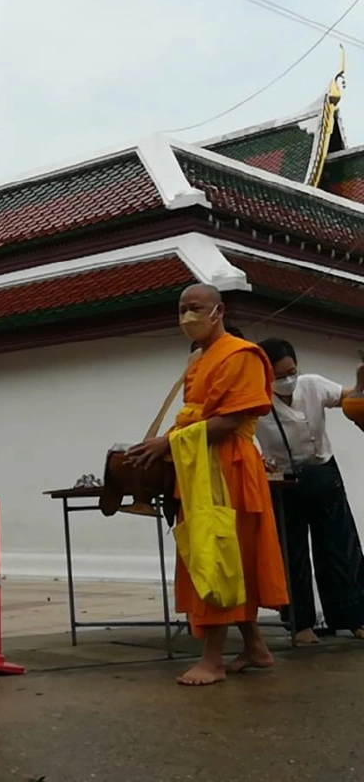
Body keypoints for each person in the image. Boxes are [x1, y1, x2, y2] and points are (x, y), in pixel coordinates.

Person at [127, 284, 288, 686]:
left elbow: (231, 421)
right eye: (181, 308)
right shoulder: (199, 359)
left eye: (195, 308)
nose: (187, 316)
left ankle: (212, 660)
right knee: (227, 555)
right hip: (199, 466)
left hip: (228, 467)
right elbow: (195, 416)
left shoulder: (242, 354)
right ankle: (254, 646)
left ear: (219, 311)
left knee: (217, 554)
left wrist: (169, 441)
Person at [254, 337, 364, 643]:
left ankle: (355, 618)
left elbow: (348, 397)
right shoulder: (256, 401)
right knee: (293, 553)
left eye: (292, 371)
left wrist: (360, 382)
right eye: (279, 375)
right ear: (264, 374)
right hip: (282, 480)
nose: (288, 379)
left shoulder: (313, 385)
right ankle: (300, 623)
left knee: (340, 547)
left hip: (324, 473)